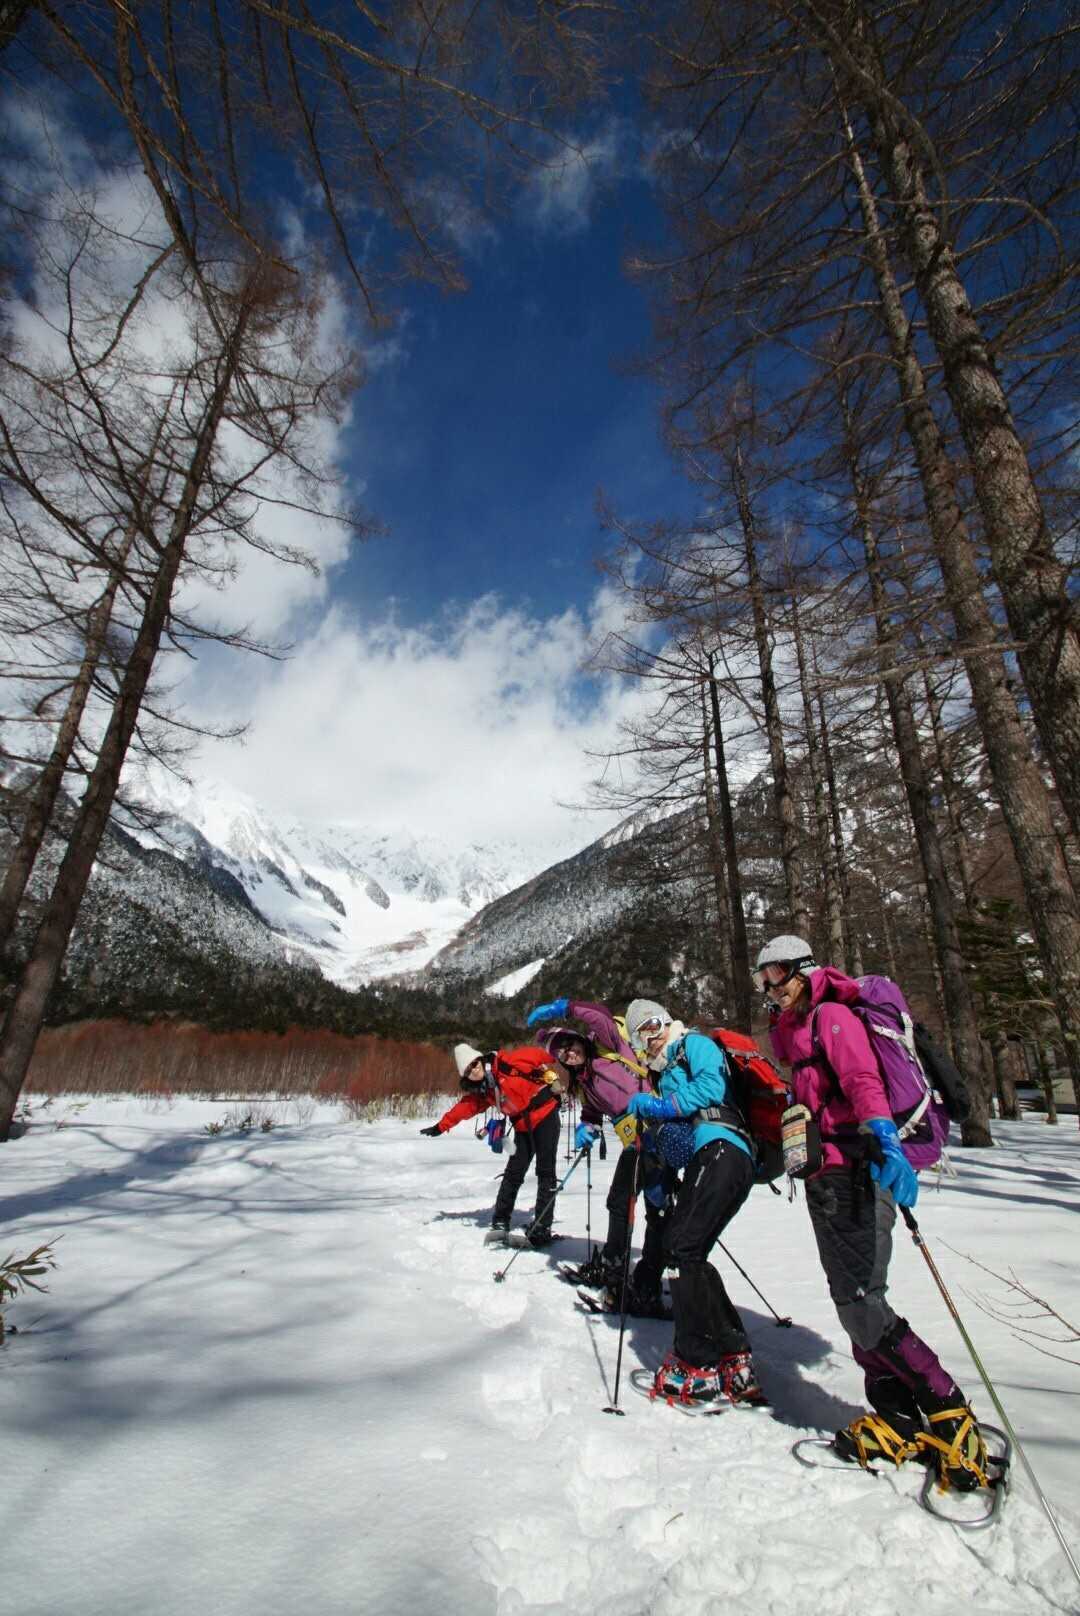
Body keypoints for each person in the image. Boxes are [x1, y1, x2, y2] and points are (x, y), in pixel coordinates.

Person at [756, 934, 986, 1486]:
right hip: (827, 1172)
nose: (770, 986)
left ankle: (948, 1407)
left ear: (804, 969)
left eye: (778, 973)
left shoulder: (832, 1016)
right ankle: (896, 1415)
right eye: (763, 977)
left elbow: (862, 1080)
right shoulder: (794, 1029)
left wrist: (884, 1137)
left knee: (861, 1300)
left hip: (857, 1169)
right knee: (851, 1298)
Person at [621, 998, 766, 1407]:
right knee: (687, 1250)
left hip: (724, 1148)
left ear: (667, 1021)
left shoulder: (694, 1044)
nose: (651, 1038)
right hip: (711, 1157)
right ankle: (734, 1357)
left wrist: (660, 1106)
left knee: (682, 1248)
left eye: (654, 1026)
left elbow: (711, 1088)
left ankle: (697, 1361)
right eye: (641, 1036)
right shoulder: (665, 1072)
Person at [526, 997, 673, 1317]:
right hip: (636, 1141)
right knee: (643, 1207)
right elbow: (594, 1110)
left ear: (579, 1039)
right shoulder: (584, 1081)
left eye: (569, 1045)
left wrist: (564, 1007)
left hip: (656, 1131)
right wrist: (587, 1125)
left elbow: (600, 1016)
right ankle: (633, 1279)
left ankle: (629, 1279)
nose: (568, 1053)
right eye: (561, 1053)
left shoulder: (608, 1046)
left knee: (632, 1204)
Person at [420, 1042, 562, 1245]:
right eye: (468, 1070)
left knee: (546, 1172)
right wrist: (441, 1126)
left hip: (546, 1115)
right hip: (523, 1126)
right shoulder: (484, 1090)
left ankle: (542, 1227)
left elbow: (541, 1054)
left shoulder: (507, 1062)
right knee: (514, 1173)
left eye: (474, 1064)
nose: (473, 1070)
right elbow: (465, 1108)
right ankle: (500, 1221)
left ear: (480, 1059)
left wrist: (562, 1058)